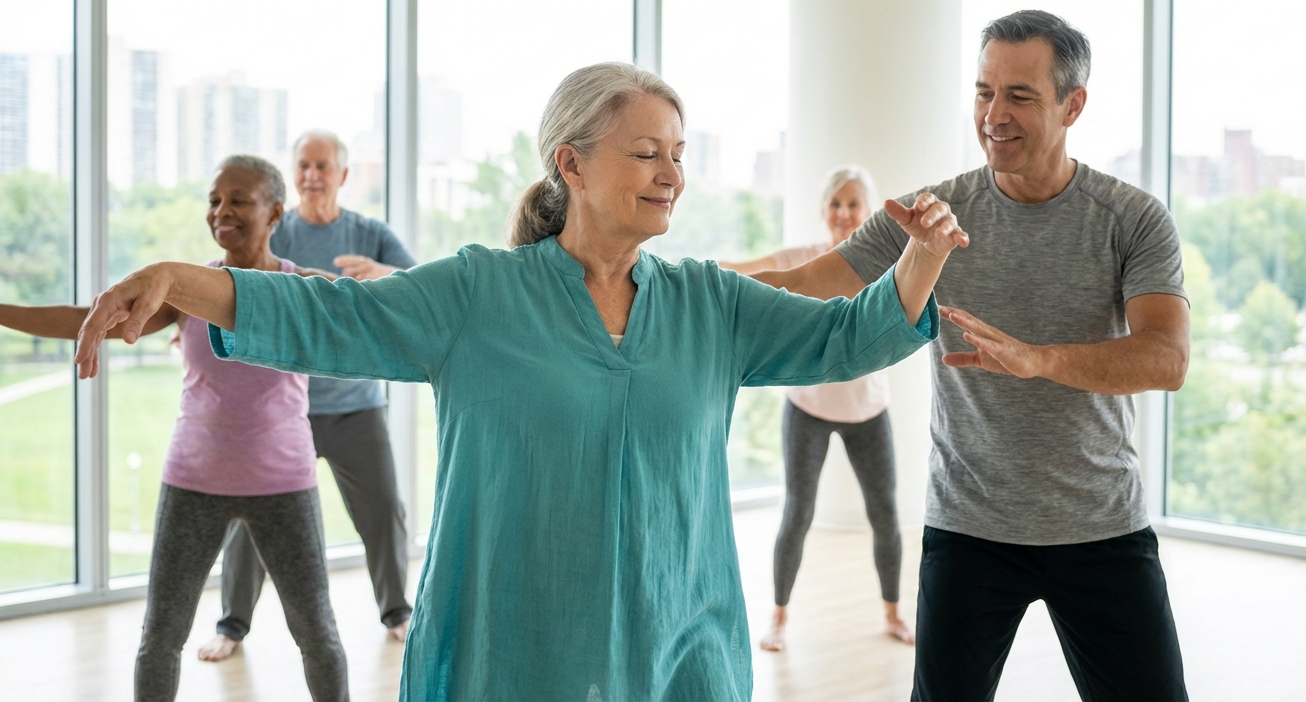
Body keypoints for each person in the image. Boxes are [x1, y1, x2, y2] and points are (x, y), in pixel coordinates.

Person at [74, 62, 968, 701]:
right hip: (510, 647)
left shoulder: (710, 303)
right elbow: (327, 317)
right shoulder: (478, 293)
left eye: (680, 153)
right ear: (571, 165)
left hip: (680, 645)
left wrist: (922, 259)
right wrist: (179, 279)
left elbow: (849, 338)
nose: (673, 173)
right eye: (647, 151)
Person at [756, 10, 1192, 700]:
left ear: (1073, 104)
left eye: (1020, 96)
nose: (995, 114)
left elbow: (1165, 359)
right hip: (969, 529)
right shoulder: (932, 215)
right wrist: (664, 287)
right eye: (985, 92)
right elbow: (809, 284)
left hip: (1101, 528)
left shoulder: (1130, 218)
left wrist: (1039, 359)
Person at [1, 156, 349, 701]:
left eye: (238, 199)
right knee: (160, 637)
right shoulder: (187, 292)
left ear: (276, 211)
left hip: (284, 483)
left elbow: (365, 318)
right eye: (214, 200)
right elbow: (82, 316)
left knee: (316, 634)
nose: (222, 211)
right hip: (193, 480)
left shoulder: (301, 287)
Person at [199, 129, 417, 663]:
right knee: (250, 519)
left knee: (384, 510)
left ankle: (397, 612)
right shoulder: (277, 230)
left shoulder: (371, 233)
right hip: (284, 412)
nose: (312, 176)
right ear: (292, 175)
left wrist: (384, 275)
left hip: (356, 406)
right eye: (303, 166)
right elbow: (239, 286)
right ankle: (232, 624)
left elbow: (418, 289)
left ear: (343, 174)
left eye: (323, 166)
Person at [722, 165, 913, 651]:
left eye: (852, 204)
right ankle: (779, 618)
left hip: (867, 410)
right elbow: (745, 270)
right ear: (824, 209)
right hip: (807, 407)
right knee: (798, 511)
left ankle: (894, 612)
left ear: (866, 212)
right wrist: (686, 274)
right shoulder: (803, 258)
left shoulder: (882, 266)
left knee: (885, 514)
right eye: (836, 203)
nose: (843, 213)